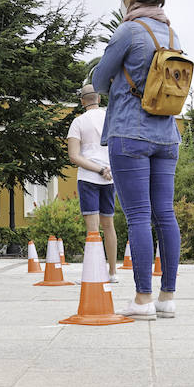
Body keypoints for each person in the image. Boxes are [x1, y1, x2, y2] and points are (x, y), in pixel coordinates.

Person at [91, 0, 183, 320]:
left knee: (140, 216)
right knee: (165, 213)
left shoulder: (129, 31)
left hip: (130, 132)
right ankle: (167, 296)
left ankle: (143, 299)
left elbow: (99, 81)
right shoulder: (173, 36)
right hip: (167, 134)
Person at [67, 83, 118, 281]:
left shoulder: (78, 122)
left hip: (89, 177)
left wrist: (98, 169)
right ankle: (113, 272)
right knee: (109, 225)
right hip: (110, 178)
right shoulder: (111, 118)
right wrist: (109, 170)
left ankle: (95, 273)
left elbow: (74, 156)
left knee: (93, 228)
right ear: (99, 98)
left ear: (82, 101)